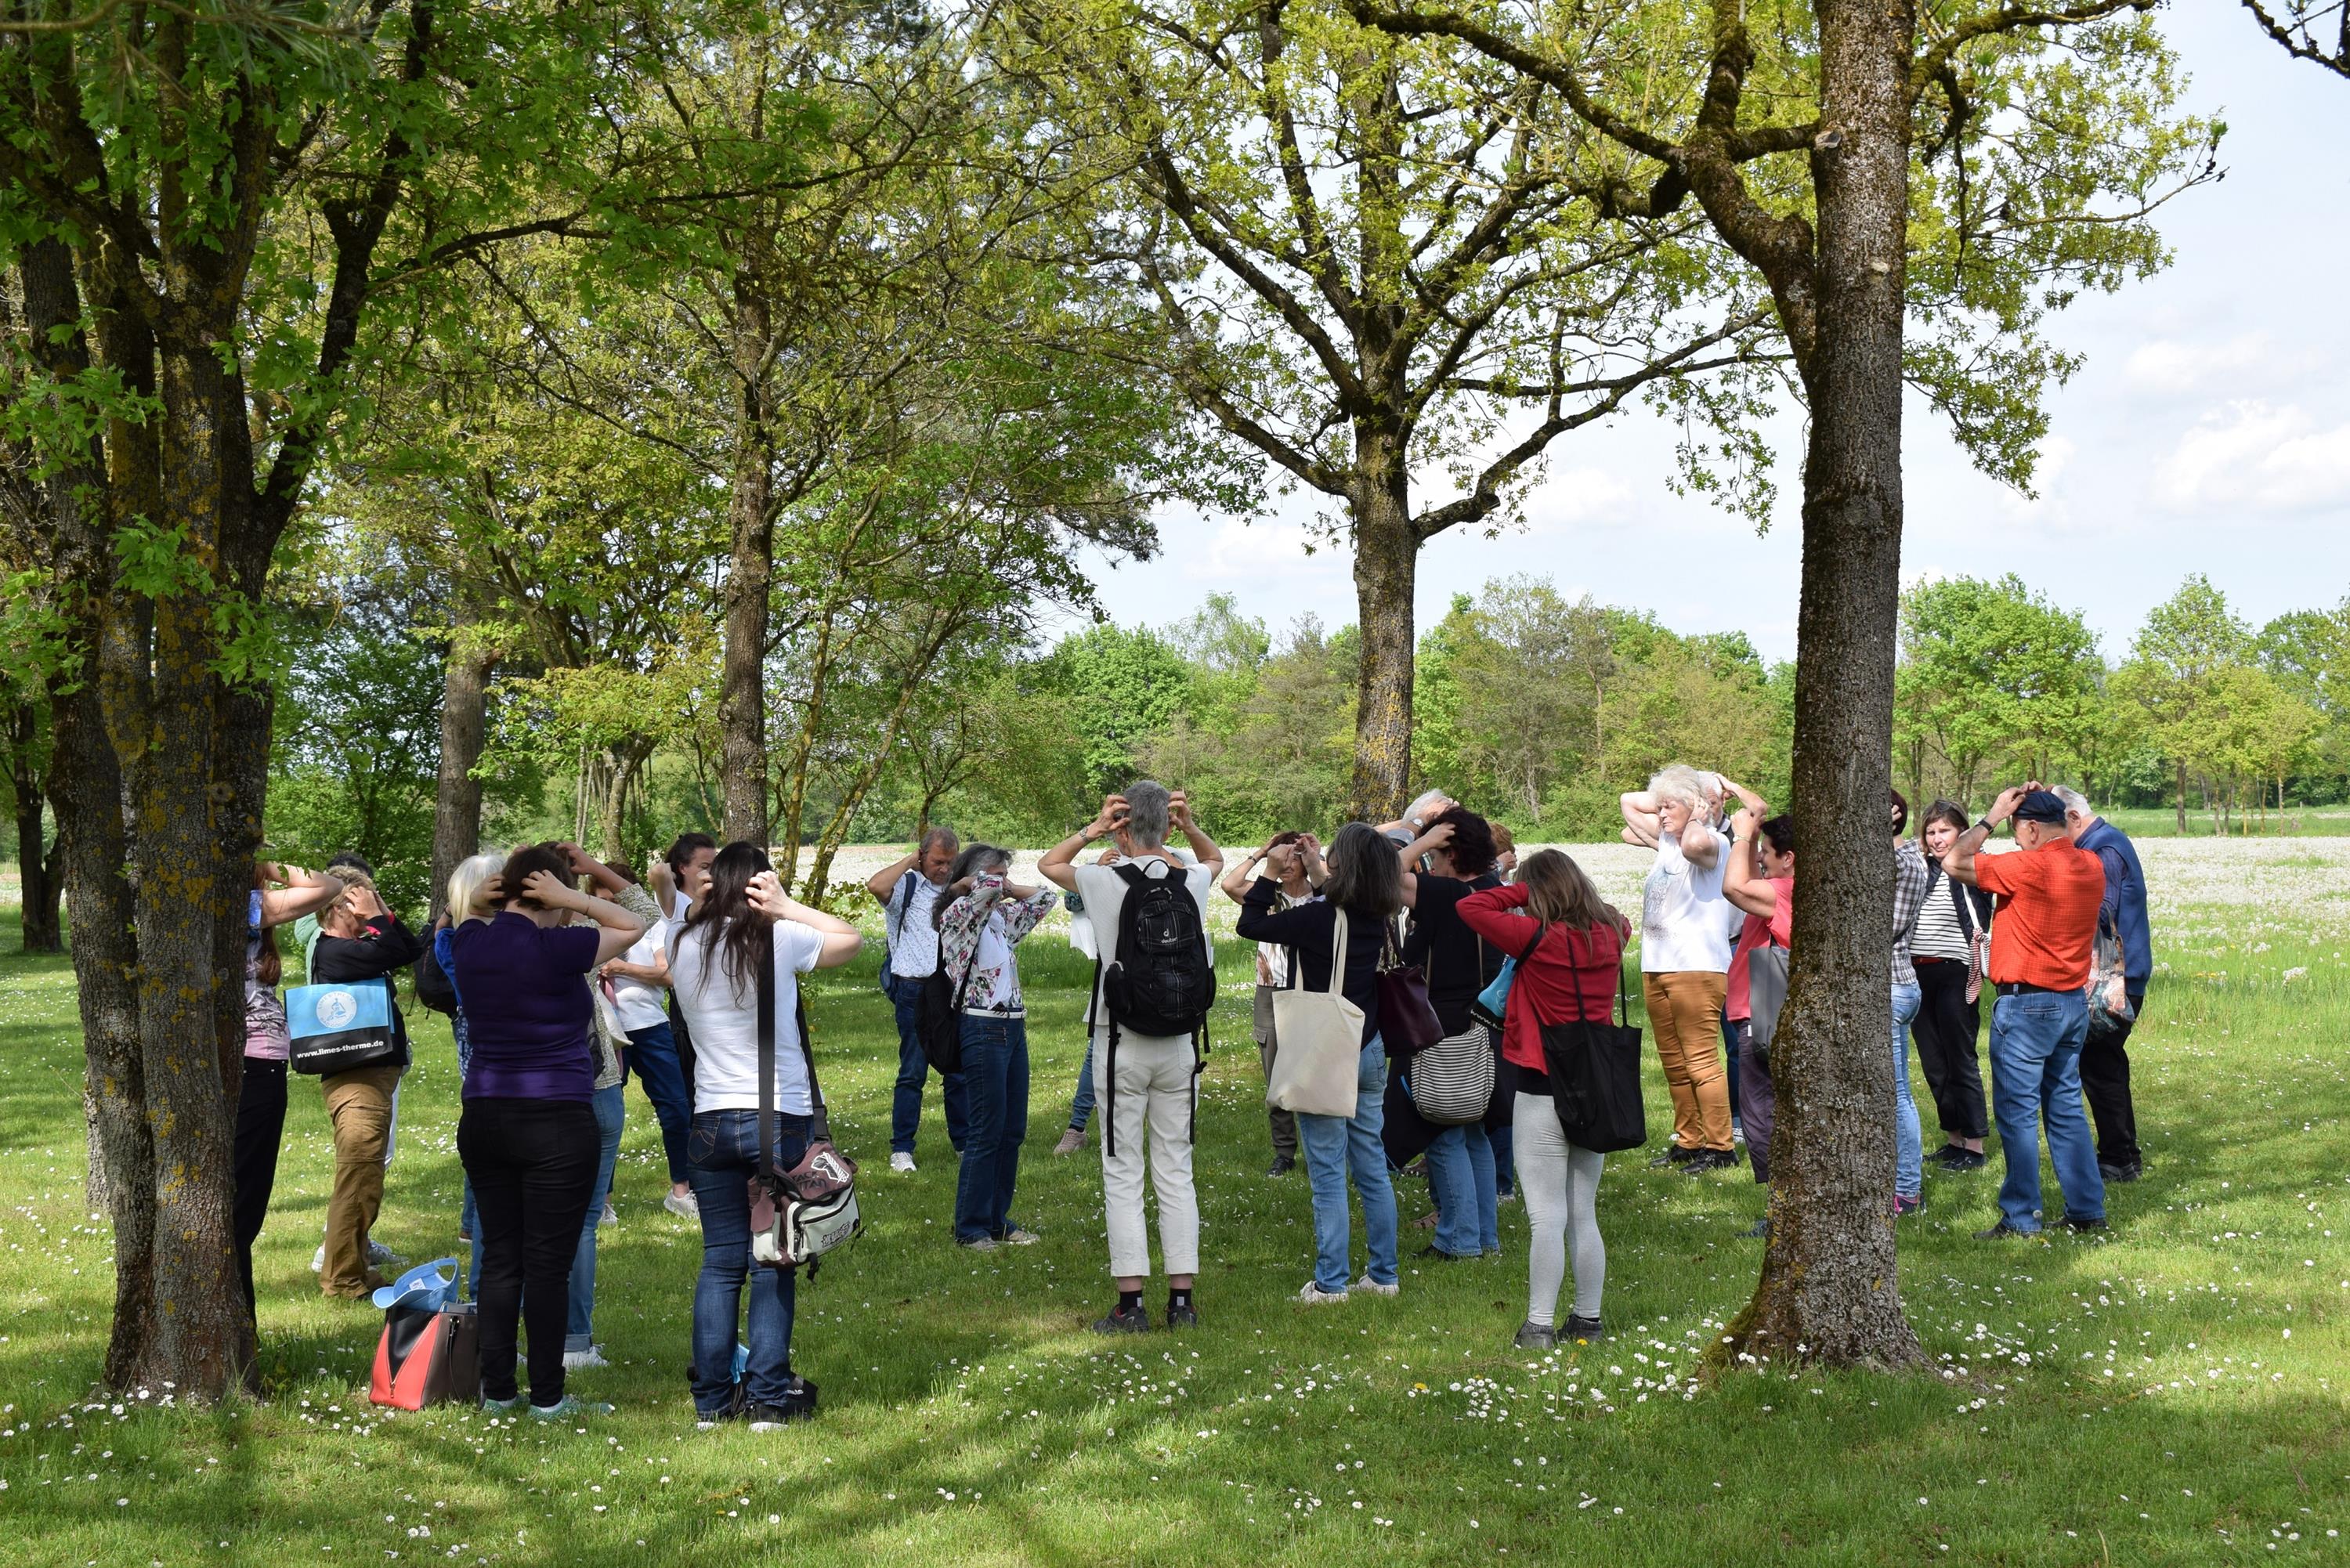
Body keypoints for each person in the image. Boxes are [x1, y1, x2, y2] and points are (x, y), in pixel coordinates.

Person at [667, 843, 862, 1428]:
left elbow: (664, 906)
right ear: (759, 886)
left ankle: (710, 1405)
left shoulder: (681, 943)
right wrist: (789, 904)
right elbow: (850, 940)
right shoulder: (776, 938)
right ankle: (770, 1401)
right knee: (772, 1260)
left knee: (720, 1262)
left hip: (708, 1122)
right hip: (780, 1119)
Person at [450, 841, 644, 1418]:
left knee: (501, 1257)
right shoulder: (563, 945)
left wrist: (485, 900)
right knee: (548, 1263)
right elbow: (633, 923)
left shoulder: (471, 940)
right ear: (551, 895)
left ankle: (499, 1392)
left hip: (485, 1114)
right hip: (557, 1119)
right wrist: (572, 899)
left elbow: (453, 917)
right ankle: (549, 1399)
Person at [1040, 784, 1223, 1333]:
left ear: (1123, 830)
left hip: (1119, 1037)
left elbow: (1051, 864)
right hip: (1181, 1041)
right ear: (1166, 828)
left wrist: (1092, 830)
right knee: (1176, 1167)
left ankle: (1131, 1303)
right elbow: (1215, 859)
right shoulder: (1192, 880)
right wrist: (1189, 825)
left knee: (1123, 1170)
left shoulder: (1101, 879)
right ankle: (1183, 1301)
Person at [1458, 850, 1628, 1349]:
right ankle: (1588, 1320)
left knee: (1546, 1215)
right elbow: (1610, 914)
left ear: (1537, 892)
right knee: (1583, 1211)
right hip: (1596, 1084)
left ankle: (1538, 1324)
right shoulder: (1614, 932)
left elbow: (1472, 908)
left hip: (1540, 1083)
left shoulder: (1535, 936)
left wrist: (1520, 890)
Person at [1235, 822, 1403, 1305]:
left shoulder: (1315, 919)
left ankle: (1331, 1283)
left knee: (1327, 1171)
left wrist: (1269, 874)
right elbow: (1341, 893)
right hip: (1368, 1044)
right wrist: (1315, 866)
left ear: (1341, 865)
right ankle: (1383, 1275)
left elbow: (1251, 925)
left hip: (1326, 1048)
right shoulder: (1377, 913)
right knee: (1371, 1163)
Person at [1943, 787, 2109, 1239]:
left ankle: (2020, 1217)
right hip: (2072, 1002)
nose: (2016, 843)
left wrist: (1992, 815)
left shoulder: (2029, 866)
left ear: (2032, 829)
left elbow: (1954, 862)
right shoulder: (2090, 864)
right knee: (2066, 1107)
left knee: (2017, 1112)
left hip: (2027, 1004)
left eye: (2018, 835)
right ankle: (2087, 1209)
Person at [306, 869, 427, 1298]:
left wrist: (383, 913)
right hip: (357, 1079)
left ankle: (353, 1268)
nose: (369, 910)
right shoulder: (334, 952)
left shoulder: (354, 948)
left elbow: (410, 947)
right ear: (339, 907)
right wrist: (376, 915)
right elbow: (395, 954)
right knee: (358, 1177)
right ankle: (341, 1280)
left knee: (366, 1179)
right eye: (360, 902)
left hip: (372, 1075)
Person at [1395, 807, 1507, 1262]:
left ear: (1453, 853)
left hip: (1440, 1025)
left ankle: (1458, 1240)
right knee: (1476, 1132)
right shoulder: (1496, 892)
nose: (1430, 867)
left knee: (1442, 1132)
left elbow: (1386, 878)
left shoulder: (1445, 895)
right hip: (1485, 1024)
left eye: (1437, 856)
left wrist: (1418, 842)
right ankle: (1485, 1238)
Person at [566, 847, 663, 1371]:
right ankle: (574, 1342)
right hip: (593, 1086)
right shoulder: (575, 944)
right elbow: (643, 915)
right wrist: (588, 874)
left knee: (516, 1221)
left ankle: (491, 1337)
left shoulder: (487, 943)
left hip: (525, 1094)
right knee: (580, 1222)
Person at [936, 846, 1060, 1251]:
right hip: (981, 1027)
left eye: (1007, 874)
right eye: (996, 874)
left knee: (1012, 1131)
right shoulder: (956, 917)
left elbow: (1046, 898)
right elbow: (984, 890)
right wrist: (974, 883)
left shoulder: (1002, 919)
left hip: (1012, 1029)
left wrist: (1006, 883)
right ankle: (970, 1228)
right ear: (972, 878)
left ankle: (997, 1221)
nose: (1003, 883)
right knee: (985, 1131)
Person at [233, 859, 341, 1319]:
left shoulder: (246, 912)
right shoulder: (239, 908)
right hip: (249, 1069)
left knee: (247, 1201)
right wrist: (272, 869)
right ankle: (241, 1320)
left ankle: (240, 1320)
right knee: (241, 1204)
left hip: (263, 1069)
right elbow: (328, 886)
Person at [1620, 766, 1737, 1173]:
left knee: (1701, 1061)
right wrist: (1672, 795)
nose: (1660, 813)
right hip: (1658, 967)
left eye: (1669, 807)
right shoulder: (1668, 842)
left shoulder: (1713, 842)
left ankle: (1721, 1147)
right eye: (1660, 806)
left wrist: (1697, 811)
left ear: (1696, 808)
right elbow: (1627, 802)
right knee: (1673, 1061)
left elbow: (1692, 846)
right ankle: (1688, 1141)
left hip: (1696, 968)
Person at [2055, 786, 2152, 1183]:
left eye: (2055, 830)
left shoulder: (2103, 850)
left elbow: (2100, 910)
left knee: (2100, 1068)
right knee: (2106, 1066)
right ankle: (2124, 1154)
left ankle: (2116, 1160)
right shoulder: (2105, 841)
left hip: (2114, 980)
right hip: (2118, 975)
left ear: (2074, 819)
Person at [868, 828, 968, 1173]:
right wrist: (912, 861)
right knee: (913, 1071)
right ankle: (902, 1149)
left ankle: (963, 1144)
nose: (944, 869)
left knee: (956, 1069)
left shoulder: (957, 890)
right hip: (912, 989)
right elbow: (876, 887)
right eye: (938, 861)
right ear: (923, 855)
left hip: (950, 989)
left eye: (950, 862)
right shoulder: (907, 886)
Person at [602, 854, 696, 1218]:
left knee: (675, 1109)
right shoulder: (585, 928)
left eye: (613, 900)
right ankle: (603, 1201)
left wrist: (623, 967)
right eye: (600, 900)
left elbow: (668, 974)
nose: (606, 907)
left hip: (650, 1027)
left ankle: (681, 1191)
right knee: (607, 1116)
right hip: (608, 1034)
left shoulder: (650, 925)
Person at [1220, 832, 1317, 1177]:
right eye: (1282, 857)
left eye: (1294, 858)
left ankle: (1320, 1148)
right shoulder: (1266, 894)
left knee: (1314, 1071)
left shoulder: (1320, 894)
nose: (1287, 864)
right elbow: (1230, 886)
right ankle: (1285, 1152)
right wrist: (1263, 855)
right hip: (1270, 992)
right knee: (1275, 1073)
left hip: (1312, 990)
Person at [1719, 809, 1793, 1237]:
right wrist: (1752, 830)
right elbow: (1746, 879)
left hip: (1763, 1008)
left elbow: (1733, 886)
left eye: (1767, 853)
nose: (1761, 859)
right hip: (1761, 1004)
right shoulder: (1779, 886)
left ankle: (1780, 1212)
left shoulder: (1784, 890)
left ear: (1789, 858)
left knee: (1761, 1112)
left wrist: (1740, 837)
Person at [1912, 800, 1993, 1170]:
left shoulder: (1971, 869)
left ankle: (1974, 1146)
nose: (1936, 838)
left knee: (1960, 1058)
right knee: (1933, 1061)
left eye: (1944, 830)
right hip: (1917, 974)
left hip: (1957, 973)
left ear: (1961, 832)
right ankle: (1953, 1138)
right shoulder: (1918, 870)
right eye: (1931, 831)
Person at [437, 851, 505, 1271]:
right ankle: (475, 1223)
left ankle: (470, 1222)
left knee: (481, 1136)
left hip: (473, 1049)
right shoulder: (500, 942)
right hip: (496, 1048)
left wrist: (450, 914)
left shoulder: (450, 940)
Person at [1889, 791, 1929, 1217]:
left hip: (1892, 986)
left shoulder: (1904, 862)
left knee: (1897, 1093)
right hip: (1894, 986)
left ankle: (1907, 1190)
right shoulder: (1900, 860)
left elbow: (1885, 927)